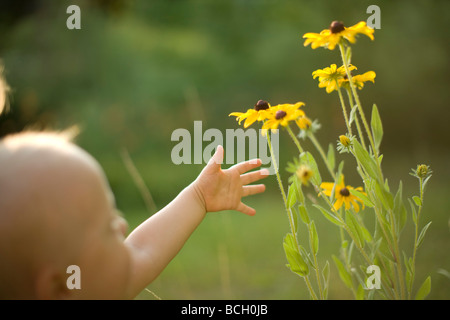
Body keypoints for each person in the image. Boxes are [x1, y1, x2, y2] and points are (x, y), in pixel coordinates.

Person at [0, 130, 268, 299]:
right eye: (107, 226)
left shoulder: (89, 289)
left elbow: (143, 250)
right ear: (59, 287)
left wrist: (198, 196)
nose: (123, 225)